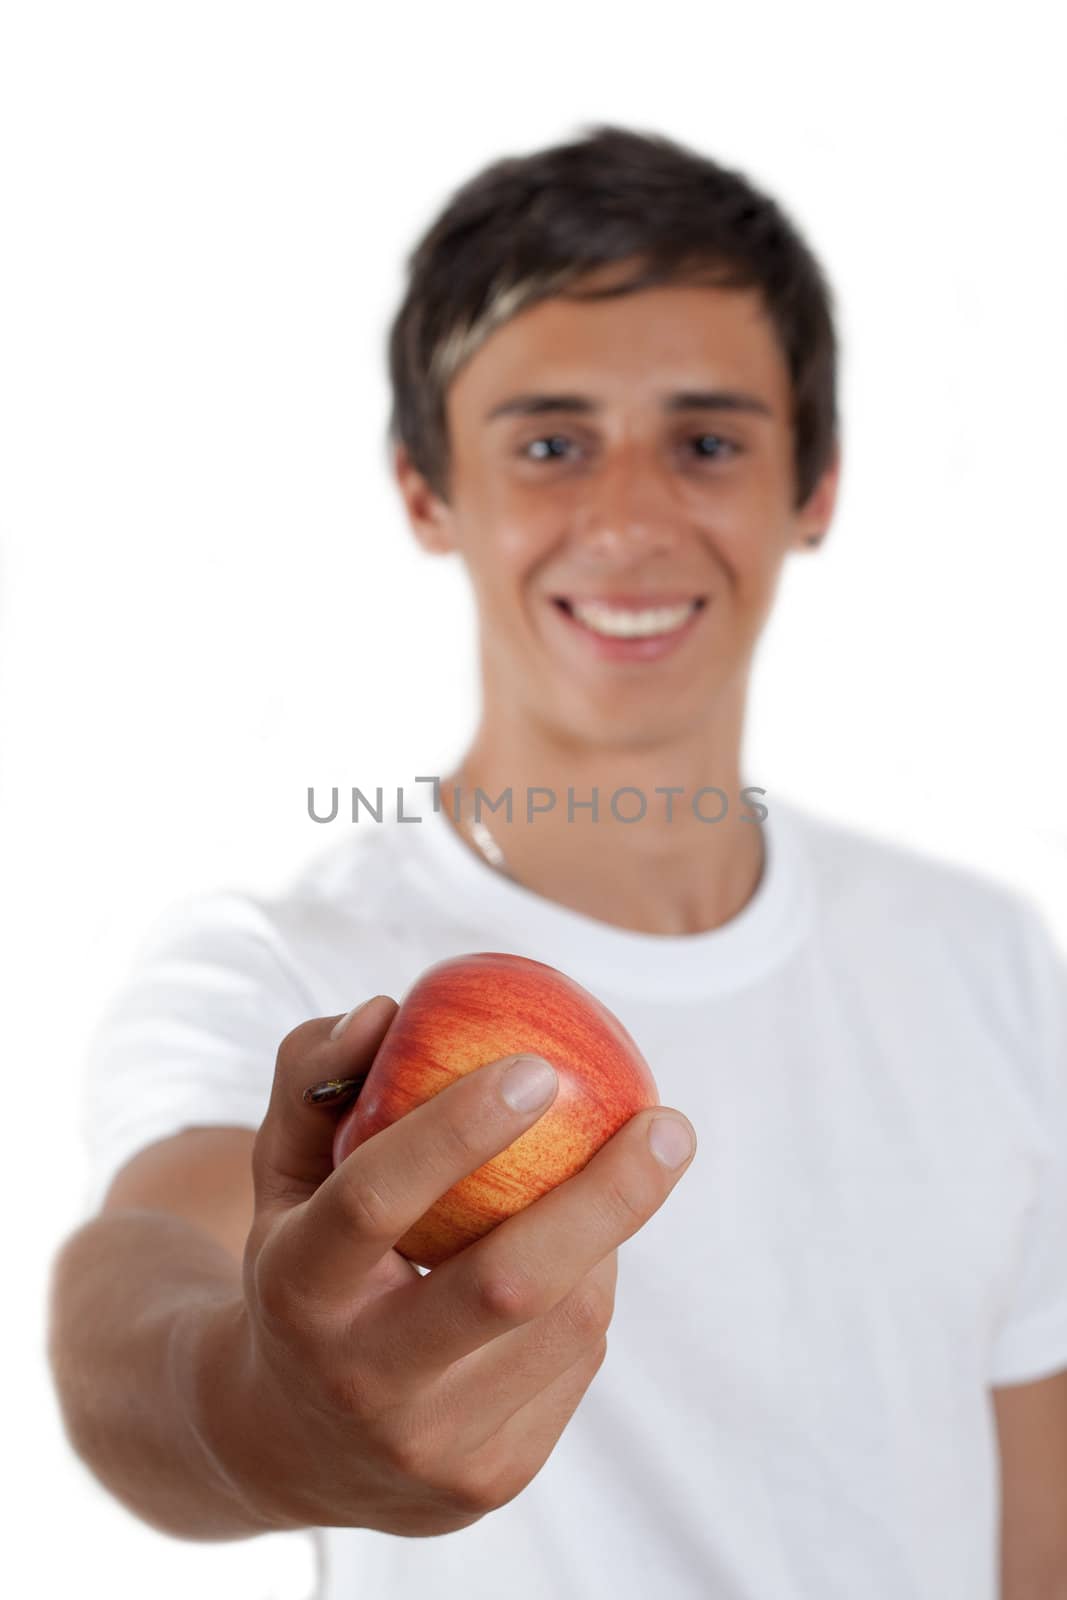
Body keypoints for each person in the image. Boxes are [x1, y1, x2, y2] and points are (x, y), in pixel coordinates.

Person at [48, 123, 1067, 1600]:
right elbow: (137, 1287)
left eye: (708, 441)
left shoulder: (983, 959)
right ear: (425, 492)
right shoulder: (280, 970)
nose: (633, 520)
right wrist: (258, 1414)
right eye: (549, 443)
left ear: (817, 486)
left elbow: (1032, 1522)